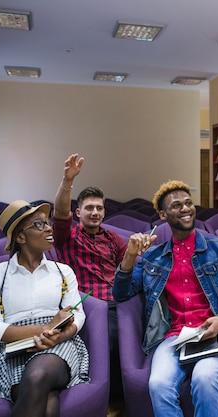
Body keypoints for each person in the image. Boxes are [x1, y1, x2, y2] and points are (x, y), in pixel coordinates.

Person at [113, 180, 218, 417]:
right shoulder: (153, 257)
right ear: (162, 214)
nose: (186, 209)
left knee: (205, 378)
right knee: (158, 385)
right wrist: (129, 257)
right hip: (172, 337)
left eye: (188, 203)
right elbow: (122, 293)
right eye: (176, 205)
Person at [0, 200, 90, 416]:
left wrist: (57, 335)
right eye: (38, 224)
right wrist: (43, 328)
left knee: (37, 376)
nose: (48, 228)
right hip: (15, 347)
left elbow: (77, 314)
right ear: (20, 237)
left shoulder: (63, 272)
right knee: (47, 401)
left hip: (58, 344)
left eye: (48, 223)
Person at [51, 153, 127, 405]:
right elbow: (60, 212)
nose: (95, 212)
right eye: (89, 208)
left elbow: (127, 268)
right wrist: (67, 180)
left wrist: (140, 251)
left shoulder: (113, 239)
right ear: (78, 212)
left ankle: (125, 393)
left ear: (105, 212)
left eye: (99, 208)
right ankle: (102, 397)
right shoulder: (67, 237)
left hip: (115, 301)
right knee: (110, 339)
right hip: (84, 304)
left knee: (130, 337)